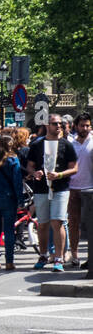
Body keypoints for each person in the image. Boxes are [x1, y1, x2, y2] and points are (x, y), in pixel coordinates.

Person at [28, 116, 79, 272]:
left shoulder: (67, 145)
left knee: (57, 222)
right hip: (41, 189)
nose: (58, 126)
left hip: (61, 188)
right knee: (42, 224)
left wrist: (60, 175)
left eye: (61, 124)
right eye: (55, 124)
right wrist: (34, 173)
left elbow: (74, 168)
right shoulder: (37, 145)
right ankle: (43, 255)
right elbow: (30, 166)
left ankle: (58, 258)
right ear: (47, 126)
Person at [0, 133, 27, 271]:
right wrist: (20, 199)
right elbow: (17, 181)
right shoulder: (13, 160)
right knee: (9, 231)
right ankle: (9, 261)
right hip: (8, 198)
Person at [68, 113, 92, 274]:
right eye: (82, 125)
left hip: (90, 189)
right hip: (73, 188)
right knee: (73, 223)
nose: (84, 128)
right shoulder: (70, 143)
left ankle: (91, 258)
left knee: (90, 226)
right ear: (76, 126)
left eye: (87, 125)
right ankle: (75, 255)